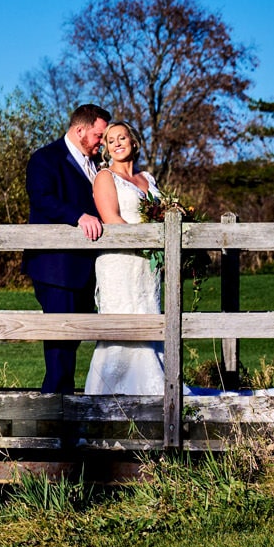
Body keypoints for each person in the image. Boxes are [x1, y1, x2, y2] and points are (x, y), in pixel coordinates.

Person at [24, 103, 110, 393]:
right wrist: (78, 216)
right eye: (99, 135)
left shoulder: (95, 164)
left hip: (83, 268)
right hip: (56, 267)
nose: (103, 142)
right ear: (80, 130)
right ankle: (54, 416)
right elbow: (42, 198)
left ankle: (67, 412)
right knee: (60, 346)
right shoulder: (46, 159)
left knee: (71, 344)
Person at [84, 122, 166, 395]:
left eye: (122, 137)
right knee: (122, 323)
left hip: (148, 267)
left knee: (149, 315)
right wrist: (151, 246)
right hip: (121, 261)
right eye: (110, 140)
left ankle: (155, 389)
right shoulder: (105, 177)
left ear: (133, 142)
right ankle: (110, 395)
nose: (117, 143)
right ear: (106, 148)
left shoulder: (148, 179)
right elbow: (112, 220)